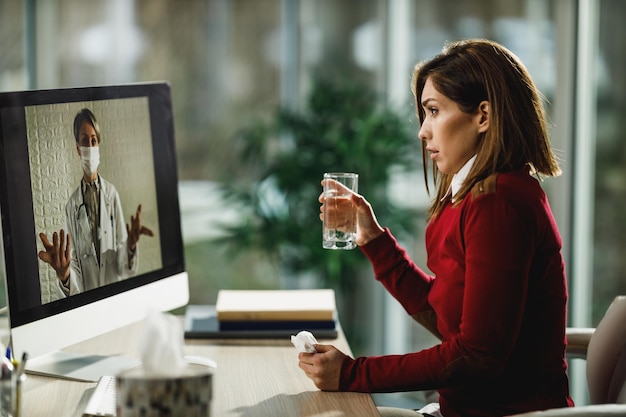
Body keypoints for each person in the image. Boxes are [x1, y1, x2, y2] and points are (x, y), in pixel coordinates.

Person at [299, 39, 574, 417]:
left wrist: (352, 373)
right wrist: (373, 239)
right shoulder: (475, 196)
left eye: (433, 111)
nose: (422, 132)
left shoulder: (499, 205)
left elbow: (476, 356)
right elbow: (447, 317)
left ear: (483, 116)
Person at [38, 108, 154, 297]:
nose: (90, 146)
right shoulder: (71, 207)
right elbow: (72, 263)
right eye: (85, 141)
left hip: (116, 299)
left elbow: (122, 266)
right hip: (88, 305)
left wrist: (131, 247)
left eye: (94, 140)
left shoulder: (111, 194)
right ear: (78, 148)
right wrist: (64, 274)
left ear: (98, 144)